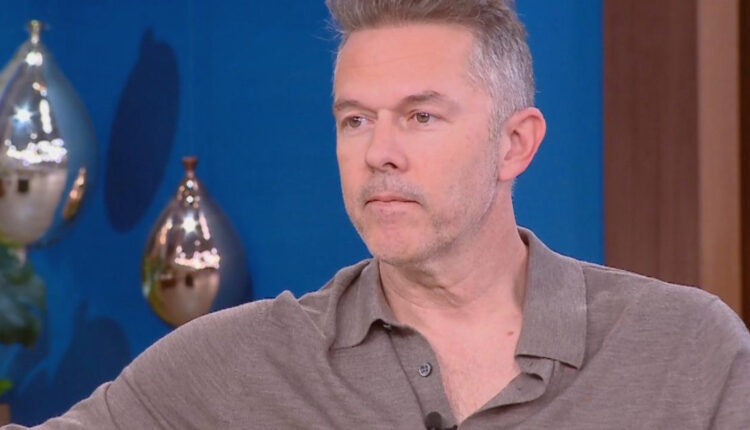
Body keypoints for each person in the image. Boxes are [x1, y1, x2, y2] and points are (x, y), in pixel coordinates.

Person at [5, 1, 750, 428]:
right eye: (355, 120)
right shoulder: (234, 365)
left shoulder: (687, 351)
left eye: (421, 117)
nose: (378, 153)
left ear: (514, 144)